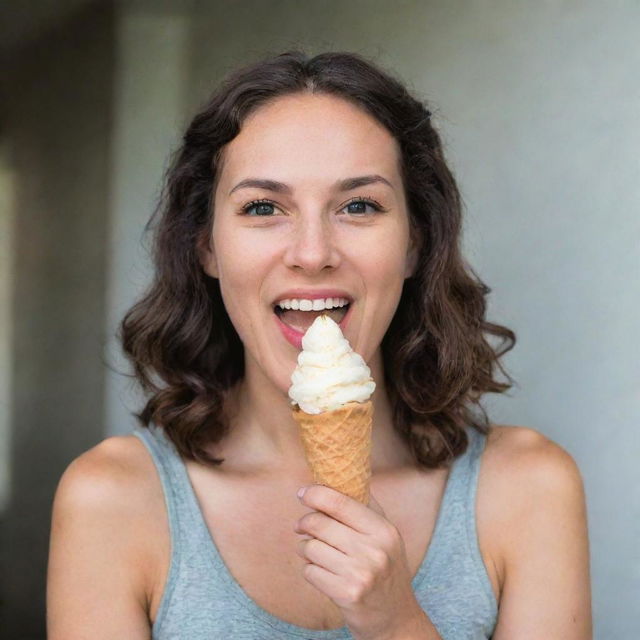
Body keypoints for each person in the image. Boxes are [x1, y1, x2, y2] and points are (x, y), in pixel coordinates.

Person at [46, 50, 592, 639]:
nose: (312, 253)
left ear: (415, 243)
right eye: (263, 207)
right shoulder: (112, 499)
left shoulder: (529, 487)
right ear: (206, 245)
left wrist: (396, 624)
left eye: (358, 205)